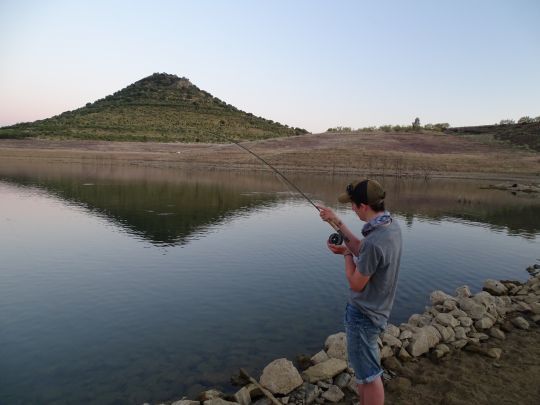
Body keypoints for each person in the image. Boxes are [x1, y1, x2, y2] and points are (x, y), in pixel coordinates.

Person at [317, 179, 402, 405]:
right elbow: (360, 248)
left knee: (370, 376)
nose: (352, 209)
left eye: (353, 205)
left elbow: (356, 283)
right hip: (377, 310)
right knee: (365, 375)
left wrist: (346, 256)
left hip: (364, 315)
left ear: (363, 206)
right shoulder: (389, 225)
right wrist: (335, 222)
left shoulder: (376, 240)